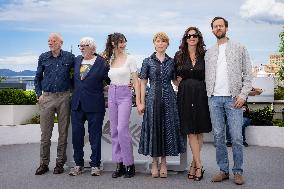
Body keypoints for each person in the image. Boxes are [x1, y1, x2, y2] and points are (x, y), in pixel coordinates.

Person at [205, 17, 252, 185]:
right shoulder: (209, 52)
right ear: (212, 30)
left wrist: (242, 96)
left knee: (237, 137)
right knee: (218, 136)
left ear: (226, 28)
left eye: (221, 26)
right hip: (214, 98)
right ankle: (223, 170)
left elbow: (248, 75)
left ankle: (238, 171)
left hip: (234, 99)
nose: (218, 28)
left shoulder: (239, 48)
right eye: (215, 26)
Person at [138, 32, 185, 178]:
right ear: (154, 43)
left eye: (163, 41)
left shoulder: (172, 62)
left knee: (167, 129)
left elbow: (176, 81)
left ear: (167, 44)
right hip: (152, 98)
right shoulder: (147, 61)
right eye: (158, 41)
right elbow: (143, 82)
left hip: (169, 98)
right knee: (154, 129)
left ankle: (164, 163)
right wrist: (140, 102)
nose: (160, 44)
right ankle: (154, 162)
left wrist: (186, 78)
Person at [174, 27, 212, 181]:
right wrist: (177, 80)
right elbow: (174, 76)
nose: (191, 37)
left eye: (194, 35)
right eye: (189, 35)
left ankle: (193, 165)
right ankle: (199, 165)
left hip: (201, 94)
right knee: (190, 130)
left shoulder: (206, 54)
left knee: (199, 130)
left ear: (198, 38)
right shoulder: (179, 55)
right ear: (185, 38)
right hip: (185, 94)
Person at [68, 37, 110, 176]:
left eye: (84, 45)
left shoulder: (102, 63)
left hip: (95, 105)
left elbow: (111, 79)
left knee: (95, 136)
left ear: (92, 47)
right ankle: (78, 164)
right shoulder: (76, 60)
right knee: (77, 136)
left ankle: (95, 165)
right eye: (80, 45)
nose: (81, 48)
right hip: (77, 105)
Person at [34, 33, 75, 175]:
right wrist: (39, 94)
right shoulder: (43, 57)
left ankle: (59, 164)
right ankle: (43, 164)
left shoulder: (70, 57)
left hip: (64, 97)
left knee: (63, 134)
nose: (50, 43)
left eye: (53, 40)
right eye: (49, 41)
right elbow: (37, 78)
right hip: (48, 97)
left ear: (61, 42)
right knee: (45, 135)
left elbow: (77, 75)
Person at [103, 33, 142, 178]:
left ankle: (129, 164)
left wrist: (138, 102)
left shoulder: (130, 59)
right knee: (113, 130)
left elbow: (136, 81)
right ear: (113, 43)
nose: (123, 44)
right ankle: (119, 164)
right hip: (112, 93)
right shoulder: (110, 58)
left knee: (122, 129)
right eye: (120, 42)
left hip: (125, 94)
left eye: (124, 42)